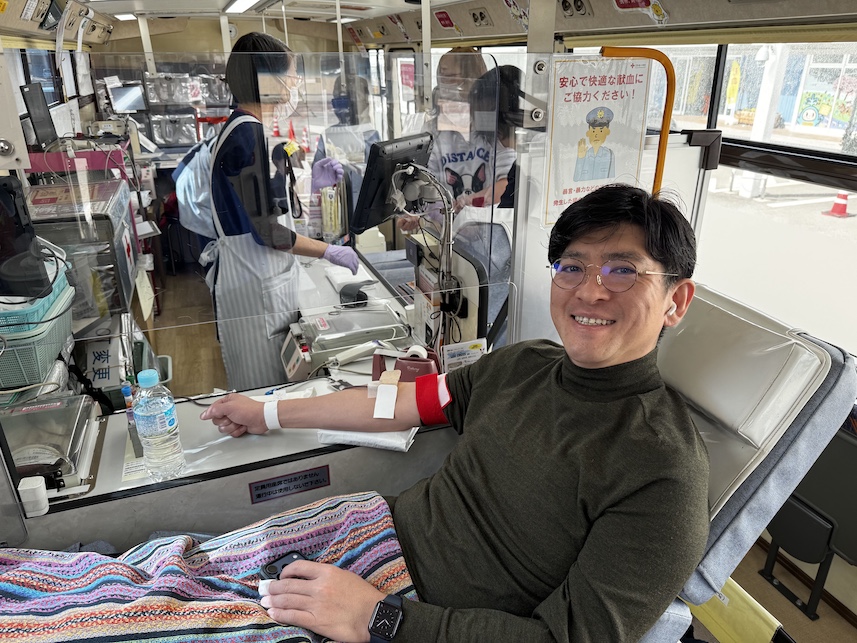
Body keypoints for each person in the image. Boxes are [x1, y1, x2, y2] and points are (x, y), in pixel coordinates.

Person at [198, 183, 711, 642]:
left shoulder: (662, 471)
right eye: (572, 267)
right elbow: (399, 403)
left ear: (676, 301)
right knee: (170, 572)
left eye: (623, 271)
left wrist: (377, 618)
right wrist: (269, 412)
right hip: (368, 530)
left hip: (408, 614)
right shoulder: (522, 365)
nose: (590, 290)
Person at [208, 32, 358, 392]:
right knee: (264, 392)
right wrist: (328, 251)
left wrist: (304, 185)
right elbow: (269, 233)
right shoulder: (247, 136)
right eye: (291, 75)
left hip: (256, 278)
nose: (295, 84)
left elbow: (259, 205)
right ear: (268, 79)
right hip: (255, 286)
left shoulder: (244, 128)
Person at [574, 106, 616, 181]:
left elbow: (612, 180)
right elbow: (576, 179)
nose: (596, 135)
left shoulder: (609, 154)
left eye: (601, 131)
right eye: (593, 131)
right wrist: (580, 158)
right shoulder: (585, 155)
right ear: (588, 133)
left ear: (607, 132)